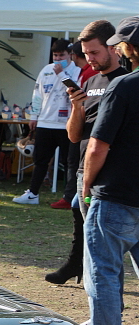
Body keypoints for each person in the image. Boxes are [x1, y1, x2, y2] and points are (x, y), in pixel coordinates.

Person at [46, 20, 128, 285]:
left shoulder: (126, 82)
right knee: (87, 233)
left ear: (112, 48)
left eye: (94, 52)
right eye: (85, 53)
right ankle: (78, 268)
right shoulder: (90, 80)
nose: (88, 59)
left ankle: (104, 297)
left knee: (106, 247)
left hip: (110, 174)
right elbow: (74, 135)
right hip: (84, 167)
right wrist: (77, 107)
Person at [81, 16, 139, 325]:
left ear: (128, 48)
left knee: (104, 275)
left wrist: (87, 184)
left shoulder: (124, 86)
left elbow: (97, 145)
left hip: (115, 197)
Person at [13, 39, 80, 205]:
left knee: (69, 162)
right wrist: (34, 116)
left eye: (61, 55)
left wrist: (62, 74)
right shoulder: (46, 70)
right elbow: (37, 94)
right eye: (55, 55)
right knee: (40, 160)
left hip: (66, 124)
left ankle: (70, 197)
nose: (57, 59)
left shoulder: (77, 70)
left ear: (69, 54)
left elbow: (76, 90)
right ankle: (33, 193)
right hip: (45, 122)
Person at [49, 40, 100, 209]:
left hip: (82, 125)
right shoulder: (86, 73)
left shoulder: (88, 74)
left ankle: (71, 196)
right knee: (72, 162)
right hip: (74, 122)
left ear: (73, 56)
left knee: (73, 162)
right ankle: (71, 196)